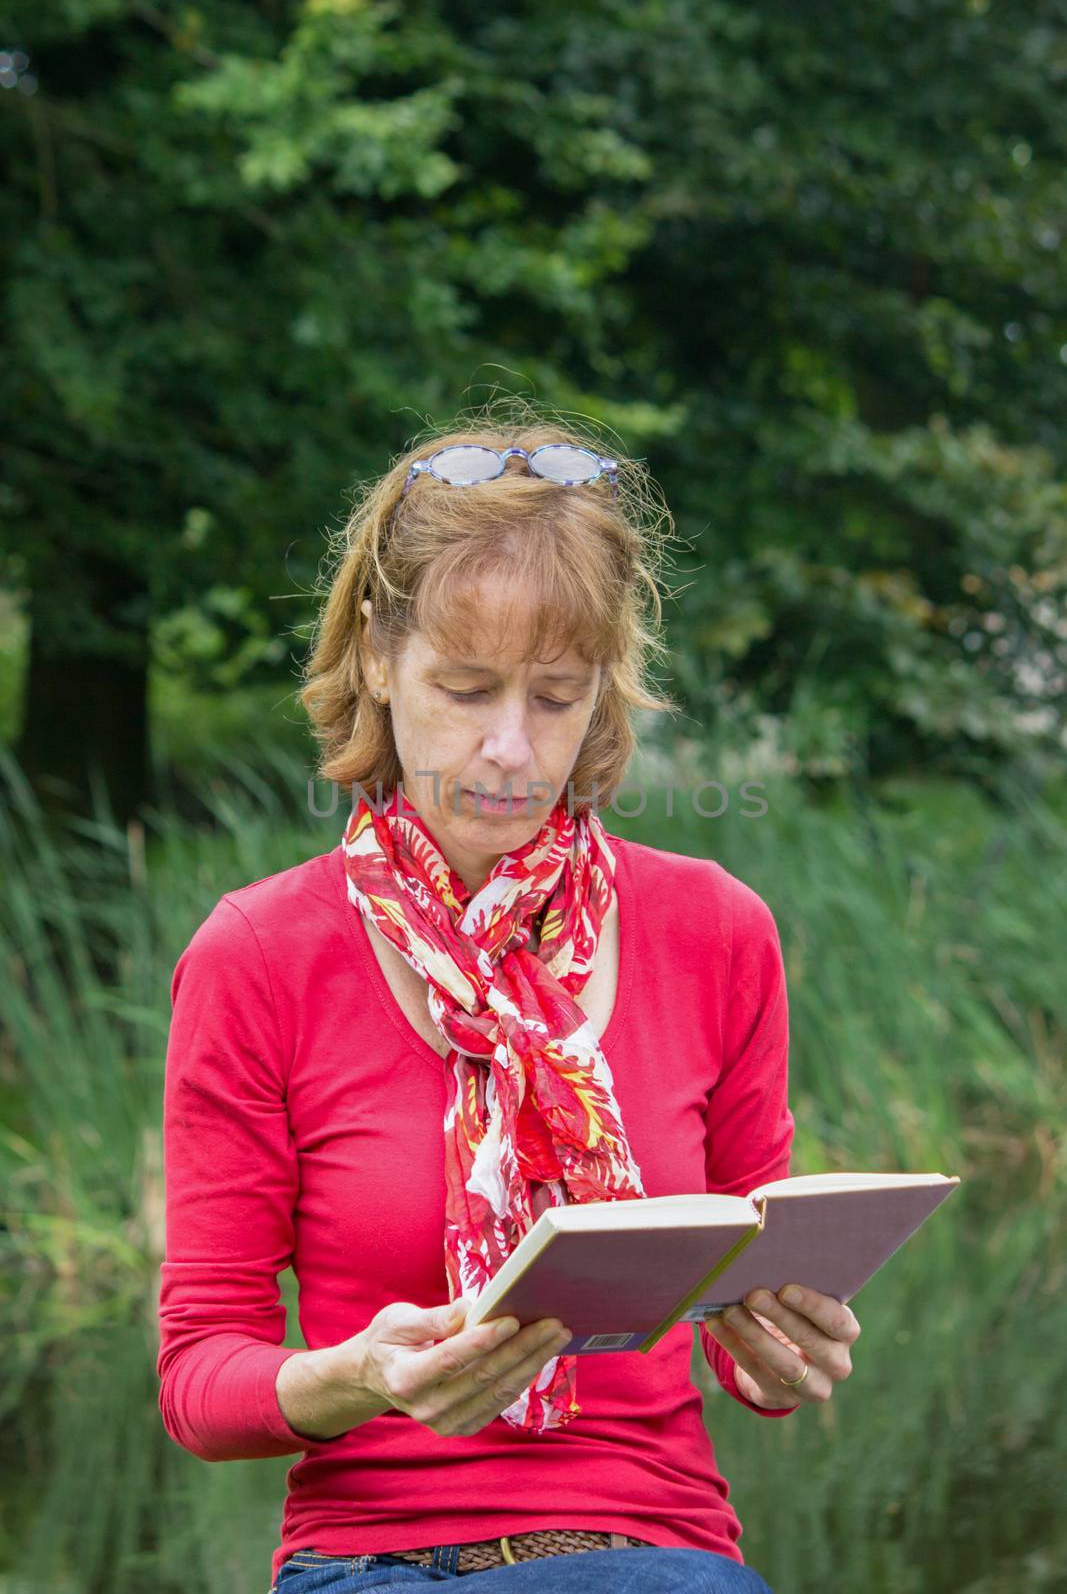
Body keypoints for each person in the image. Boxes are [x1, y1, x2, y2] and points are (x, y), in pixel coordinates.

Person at [156, 418, 861, 1594]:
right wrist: (354, 1376)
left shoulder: (715, 930)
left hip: (658, 1550)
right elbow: (198, 1379)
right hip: (371, 1559)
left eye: (555, 696)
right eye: (466, 687)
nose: (508, 750)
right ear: (378, 658)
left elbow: (748, 1303)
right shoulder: (260, 954)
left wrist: (779, 1353)